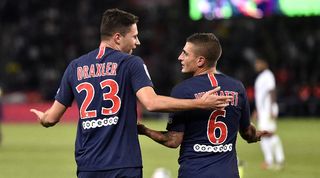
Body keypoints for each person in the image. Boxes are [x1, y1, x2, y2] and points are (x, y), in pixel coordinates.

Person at [30, 9, 232, 178]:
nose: (138, 42)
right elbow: (151, 103)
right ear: (118, 37)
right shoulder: (130, 63)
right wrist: (200, 104)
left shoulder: (75, 67)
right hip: (123, 164)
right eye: (134, 36)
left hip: (88, 165)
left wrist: (43, 118)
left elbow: (51, 118)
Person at [138, 33, 270, 178]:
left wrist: (144, 130)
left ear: (200, 60)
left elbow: (172, 140)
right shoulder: (237, 87)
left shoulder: (183, 90)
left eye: (185, 54)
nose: (180, 57)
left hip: (195, 172)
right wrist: (255, 135)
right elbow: (247, 133)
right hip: (228, 173)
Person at [253, 56, 285, 170]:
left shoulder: (268, 75)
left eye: (258, 63)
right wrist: (257, 110)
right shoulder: (262, 76)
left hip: (268, 110)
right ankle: (271, 160)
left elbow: (272, 92)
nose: (256, 65)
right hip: (263, 110)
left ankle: (277, 160)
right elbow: (261, 96)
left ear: (264, 63)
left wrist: (272, 108)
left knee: (268, 134)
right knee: (266, 135)